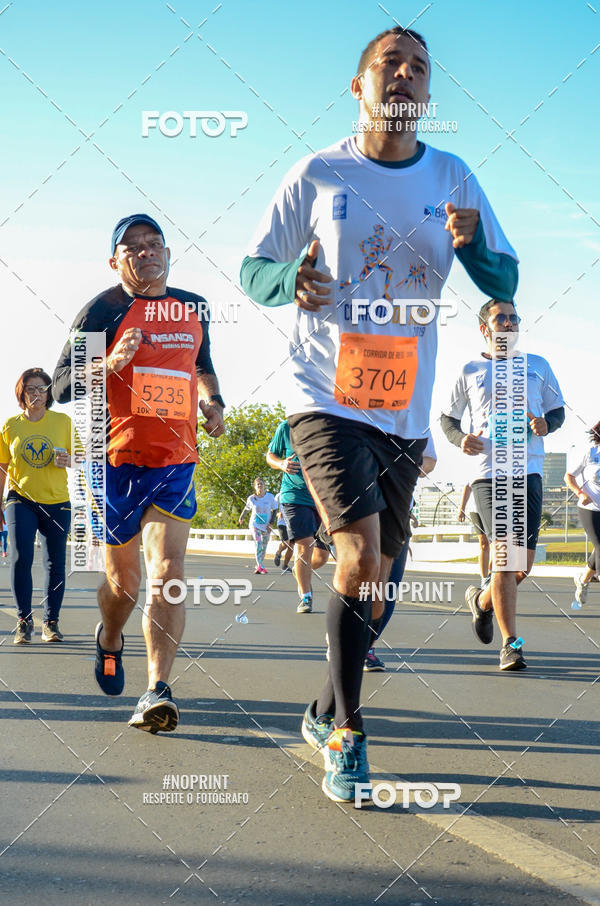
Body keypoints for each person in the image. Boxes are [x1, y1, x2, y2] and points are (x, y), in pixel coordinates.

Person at [241, 26, 518, 800]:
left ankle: (326, 702)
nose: (405, 75)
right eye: (389, 65)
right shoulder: (318, 172)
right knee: (358, 559)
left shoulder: (454, 175)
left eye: (419, 68)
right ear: (358, 88)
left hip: (402, 403)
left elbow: (506, 278)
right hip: (322, 390)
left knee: (386, 580)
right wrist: (284, 282)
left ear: (427, 93)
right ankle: (348, 734)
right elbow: (254, 266)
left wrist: (475, 249)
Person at [52, 213, 225, 733]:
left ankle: (157, 688)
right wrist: (105, 364)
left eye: (154, 243)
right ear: (115, 261)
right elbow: (60, 385)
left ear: (168, 251)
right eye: (132, 247)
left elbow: (202, 362)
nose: (145, 252)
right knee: (123, 586)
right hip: (116, 462)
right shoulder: (103, 310)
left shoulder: (193, 306)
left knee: (168, 573)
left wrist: (213, 401)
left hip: (176, 459)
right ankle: (109, 637)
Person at [441, 299, 564, 671]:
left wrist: (546, 425)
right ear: (485, 329)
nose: (508, 323)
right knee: (506, 558)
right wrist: (460, 439)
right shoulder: (469, 369)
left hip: (529, 469)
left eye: (513, 318)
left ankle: (481, 602)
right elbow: (448, 419)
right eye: (501, 319)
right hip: (488, 471)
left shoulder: (537, 366)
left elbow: (556, 410)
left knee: (521, 565)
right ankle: (512, 644)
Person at [0, 369, 72, 644]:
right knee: (20, 558)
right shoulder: (10, 425)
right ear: (22, 393)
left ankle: (51, 623)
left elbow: (80, 454)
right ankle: (24, 621)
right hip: (21, 500)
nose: (37, 394)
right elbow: (2, 467)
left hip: (57, 501)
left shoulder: (63, 422)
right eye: (31, 389)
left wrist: (70, 459)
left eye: (42, 389)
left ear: (49, 393)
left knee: (55, 563)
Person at [364, 439, 436, 671]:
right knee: (360, 579)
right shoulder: (359, 410)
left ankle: (366, 646)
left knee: (389, 587)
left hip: (399, 510)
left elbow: (430, 461)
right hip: (361, 507)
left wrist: (400, 468)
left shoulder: (416, 416)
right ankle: (344, 637)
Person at [266, 418, 330, 612]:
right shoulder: (286, 427)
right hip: (294, 496)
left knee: (322, 556)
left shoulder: (330, 427)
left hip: (322, 499)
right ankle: (306, 597)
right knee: (305, 544)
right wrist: (282, 464)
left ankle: (298, 569)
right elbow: (270, 456)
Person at [564, 423, 600, 607]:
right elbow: (568, 476)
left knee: (598, 549)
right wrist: (580, 493)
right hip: (590, 508)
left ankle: (583, 579)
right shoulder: (590, 452)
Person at [238, 478, 277, 574]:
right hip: (255, 525)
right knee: (258, 543)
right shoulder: (251, 498)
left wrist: (271, 523)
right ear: (255, 487)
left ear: (264, 485)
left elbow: (275, 509)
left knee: (264, 546)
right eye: (258, 484)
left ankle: (260, 564)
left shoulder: (270, 497)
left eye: (261, 484)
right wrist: (241, 517)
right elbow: (247, 509)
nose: (260, 486)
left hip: (266, 525)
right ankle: (260, 566)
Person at [458, 481, 491, 588]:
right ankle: (485, 579)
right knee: (484, 543)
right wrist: (462, 509)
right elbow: (468, 487)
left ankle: (493, 574)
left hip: (496, 507)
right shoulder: (475, 466)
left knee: (497, 543)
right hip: (476, 510)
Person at [273, 491, 294, 573]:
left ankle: (285, 566)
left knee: (291, 546)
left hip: (293, 523)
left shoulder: (295, 493)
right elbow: (273, 508)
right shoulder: (279, 495)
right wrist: (278, 513)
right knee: (286, 543)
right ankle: (278, 553)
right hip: (282, 523)